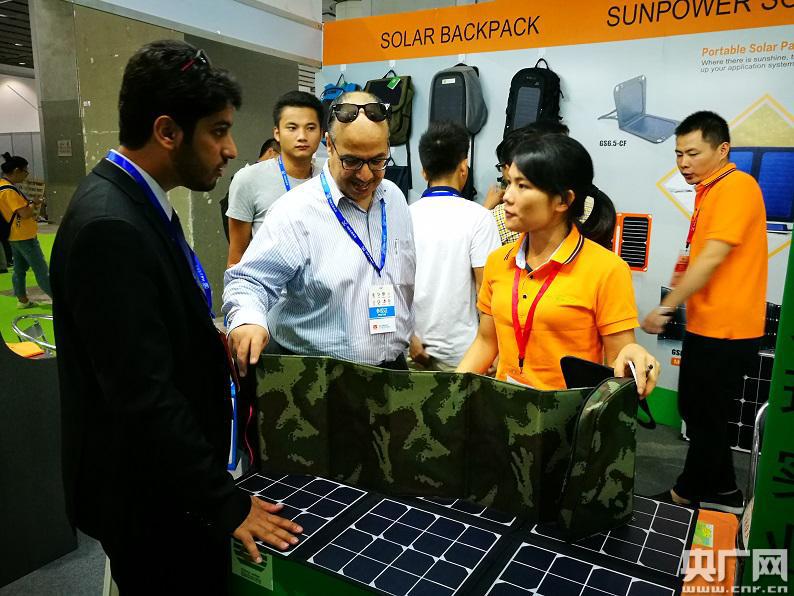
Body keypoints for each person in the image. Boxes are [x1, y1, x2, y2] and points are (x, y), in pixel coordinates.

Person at [50, 40, 301, 594]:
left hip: (171, 491)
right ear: (167, 131)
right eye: (218, 131)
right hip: (151, 508)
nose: (231, 149)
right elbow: (143, 396)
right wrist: (226, 504)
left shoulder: (140, 203)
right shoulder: (109, 226)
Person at [223, 91, 415, 375]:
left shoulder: (394, 199)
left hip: (393, 369)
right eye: (352, 161)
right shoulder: (295, 211)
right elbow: (249, 282)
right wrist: (248, 319)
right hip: (319, 377)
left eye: (377, 161)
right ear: (330, 145)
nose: (365, 175)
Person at [457, 134, 658, 395]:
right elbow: (486, 342)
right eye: (509, 183)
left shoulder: (607, 269)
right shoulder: (498, 261)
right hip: (504, 409)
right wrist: (449, 394)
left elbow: (619, 359)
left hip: (568, 413)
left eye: (522, 186)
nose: (507, 196)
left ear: (563, 200)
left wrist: (634, 357)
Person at [641, 111, 767, 514]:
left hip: (729, 328)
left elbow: (712, 258)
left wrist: (667, 305)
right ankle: (725, 492)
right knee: (700, 412)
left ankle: (687, 492)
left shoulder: (736, 187)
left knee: (704, 415)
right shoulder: (709, 191)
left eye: (693, 153)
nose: (683, 163)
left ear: (722, 149)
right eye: (679, 154)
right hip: (708, 323)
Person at [409, 121, 500, 370]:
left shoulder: (404, 215)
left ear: (424, 172)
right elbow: (487, 288)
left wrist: (407, 336)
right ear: (463, 168)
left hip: (411, 348)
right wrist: (494, 349)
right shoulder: (480, 218)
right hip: (465, 355)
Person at [225, 91, 323, 267]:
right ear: (277, 133)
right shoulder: (248, 179)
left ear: (322, 134)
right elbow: (236, 259)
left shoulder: (329, 180)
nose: (302, 136)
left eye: (310, 128)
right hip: (269, 284)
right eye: (292, 128)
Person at [0, 152, 51, 307]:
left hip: (14, 235)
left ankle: (22, 299)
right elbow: (25, 213)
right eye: (25, 171)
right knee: (41, 270)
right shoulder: (9, 191)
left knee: (19, 269)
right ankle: (60, 301)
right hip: (24, 236)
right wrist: (34, 203)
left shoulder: (2, 186)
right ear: (17, 171)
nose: (26, 175)